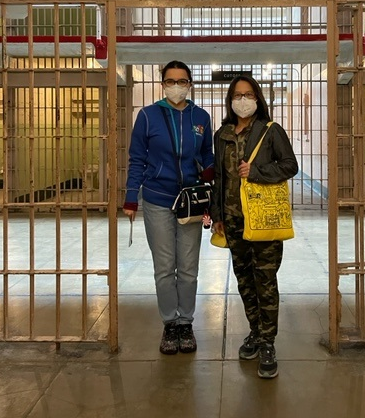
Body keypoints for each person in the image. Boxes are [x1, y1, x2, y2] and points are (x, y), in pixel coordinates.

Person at [123, 61, 214, 355]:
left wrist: (212, 180)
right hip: (157, 199)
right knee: (164, 268)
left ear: (190, 84)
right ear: (163, 84)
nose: (177, 85)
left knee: (188, 268)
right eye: (171, 80)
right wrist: (130, 197)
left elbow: (206, 155)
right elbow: (137, 157)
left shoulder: (200, 117)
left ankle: (186, 322)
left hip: (190, 202)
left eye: (182, 80)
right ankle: (169, 323)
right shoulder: (148, 116)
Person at [210, 75, 298, 379]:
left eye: (248, 95)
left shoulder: (271, 131)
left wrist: (257, 170)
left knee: (265, 280)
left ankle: (268, 342)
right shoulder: (222, 134)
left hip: (263, 219)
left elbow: (290, 166)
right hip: (233, 222)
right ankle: (255, 332)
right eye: (237, 95)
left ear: (258, 99)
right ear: (230, 100)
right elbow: (220, 178)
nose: (243, 100)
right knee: (244, 280)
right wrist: (217, 212)